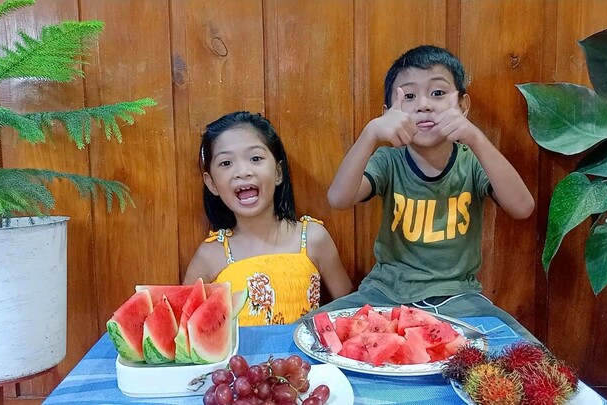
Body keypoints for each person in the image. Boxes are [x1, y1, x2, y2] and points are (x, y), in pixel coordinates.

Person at [312, 45, 537, 341]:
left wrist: (476, 138)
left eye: (438, 93)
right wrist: (371, 134)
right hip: (385, 294)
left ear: (463, 105)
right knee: (311, 333)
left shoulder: (472, 161)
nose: (424, 105)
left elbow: (523, 207)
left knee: (527, 352)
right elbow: (338, 199)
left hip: (459, 298)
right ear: (388, 114)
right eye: (408, 96)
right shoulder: (388, 161)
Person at [184, 111, 353, 326]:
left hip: (305, 360)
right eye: (226, 163)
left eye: (255, 158)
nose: (242, 171)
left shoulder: (313, 237)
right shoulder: (209, 255)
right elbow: (186, 328)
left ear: (278, 173)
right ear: (212, 184)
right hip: (238, 361)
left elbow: (349, 313)